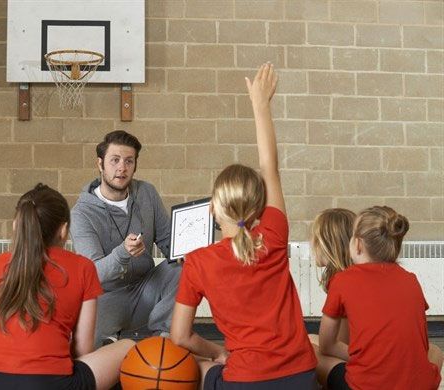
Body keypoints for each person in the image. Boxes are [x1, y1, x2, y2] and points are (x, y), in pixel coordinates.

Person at [170, 64, 318, 389]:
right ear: (258, 209)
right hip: (301, 376)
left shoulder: (197, 262)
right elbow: (270, 167)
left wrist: (218, 353)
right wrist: (261, 105)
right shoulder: (274, 232)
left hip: (244, 380)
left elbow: (180, 337)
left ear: (211, 208)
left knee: (200, 367)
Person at [0, 183, 135, 390]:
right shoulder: (82, 267)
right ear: (64, 229)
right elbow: (82, 349)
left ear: (18, 224)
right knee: (128, 347)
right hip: (48, 382)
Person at [70, 130, 181, 347]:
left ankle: (163, 337)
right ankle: (115, 338)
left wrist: (188, 251)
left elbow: (168, 242)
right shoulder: (81, 214)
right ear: (100, 164)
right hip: (106, 297)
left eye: (129, 161)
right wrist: (122, 253)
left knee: (184, 269)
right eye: (115, 160)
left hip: (145, 287)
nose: (122, 167)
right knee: (84, 349)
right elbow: (94, 273)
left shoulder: (147, 192)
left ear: (135, 166)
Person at [318, 205, 443, 389]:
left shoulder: (343, 280)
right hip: (418, 385)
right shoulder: (411, 280)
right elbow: (421, 344)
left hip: (365, 386)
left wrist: (368, 359)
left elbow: (326, 346)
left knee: (311, 352)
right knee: (436, 351)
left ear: (358, 244)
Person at [307, 208, 355, 380]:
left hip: (362, 365)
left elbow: (340, 344)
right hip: (380, 355)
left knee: (304, 349)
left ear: (329, 244)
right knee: (310, 338)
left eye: (314, 239)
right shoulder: (358, 275)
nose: (311, 244)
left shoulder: (341, 281)